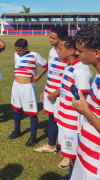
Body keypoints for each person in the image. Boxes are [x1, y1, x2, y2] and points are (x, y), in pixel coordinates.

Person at [54, 36, 92, 179]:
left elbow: (85, 101)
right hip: (65, 121)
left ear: (71, 50)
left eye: (60, 48)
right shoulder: (70, 67)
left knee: (76, 156)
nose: (57, 51)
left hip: (74, 125)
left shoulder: (79, 70)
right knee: (70, 155)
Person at [71, 25, 100, 180]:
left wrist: (85, 111)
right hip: (86, 152)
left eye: (80, 51)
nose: (76, 53)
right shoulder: (98, 75)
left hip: (95, 166)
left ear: (96, 53)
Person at [8, 38, 48, 147]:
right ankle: (17, 131)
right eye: (16, 50)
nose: (17, 52)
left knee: (32, 112)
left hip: (27, 87)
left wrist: (38, 76)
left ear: (26, 48)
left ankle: (33, 137)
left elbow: (46, 65)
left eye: (20, 50)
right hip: (16, 86)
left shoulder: (34, 55)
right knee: (16, 109)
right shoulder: (16, 55)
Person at [35, 27, 68, 155]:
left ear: (62, 39)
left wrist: (56, 93)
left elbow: (69, 77)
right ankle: (51, 145)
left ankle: (67, 150)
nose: (50, 40)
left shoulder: (67, 53)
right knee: (51, 118)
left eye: (53, 38)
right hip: (50, 92)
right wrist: (45, 90)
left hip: (60, 94)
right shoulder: (51, 51)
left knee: (62, 121)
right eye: (50, 37)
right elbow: (51, 73)